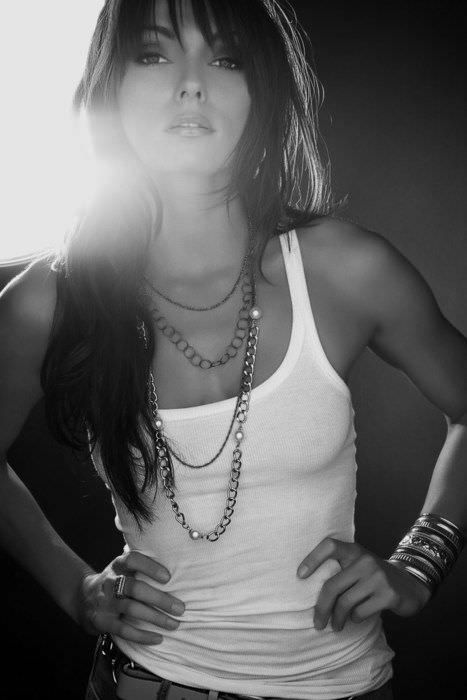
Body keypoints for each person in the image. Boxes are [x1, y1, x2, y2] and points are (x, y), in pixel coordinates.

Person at [0, 1, 466, 699]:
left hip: (347, 685)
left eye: (225, 58)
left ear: (261, 89)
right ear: (110, 85)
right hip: (151, 683)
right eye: (153, 54)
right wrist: (76, 589)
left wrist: (421, 559)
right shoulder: (51, 302)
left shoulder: (343, 270)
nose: (191, 83)